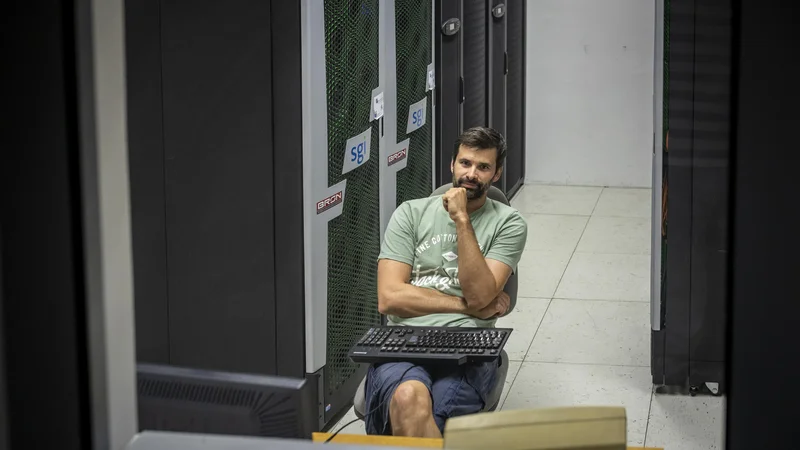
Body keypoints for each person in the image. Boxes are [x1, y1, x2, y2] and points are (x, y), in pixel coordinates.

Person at [364, 127, 528, 438]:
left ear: (496, 174)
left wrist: (462, 219)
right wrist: (466, 306)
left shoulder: (508, 223)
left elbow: (479, 294)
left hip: (469, 348)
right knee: (408, 398)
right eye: (465, 163)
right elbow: (389, 298)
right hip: (404, 341)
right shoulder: (410, 214)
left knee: (418, 421)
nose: (472, 174)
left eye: (483, 167)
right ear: (452, 164)